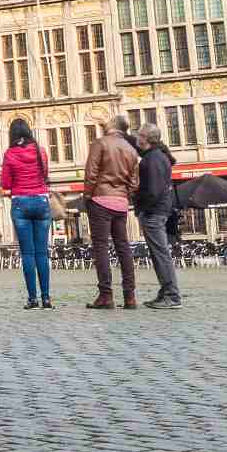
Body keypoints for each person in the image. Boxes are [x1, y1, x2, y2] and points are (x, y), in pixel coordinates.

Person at [80, 116, 139, 310]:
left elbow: (91, 173)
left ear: (114, 126)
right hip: (120, 201)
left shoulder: (101, 143)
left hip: (100, 198)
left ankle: (106, 295)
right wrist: (124, 194)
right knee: (123, 247)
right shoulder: (131, 149)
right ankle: (129, 295)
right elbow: (134, 181)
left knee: (101, 247)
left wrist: (88, 196)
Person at [0, 119, 56, 309]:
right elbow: (45, 173)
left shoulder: (10, 154)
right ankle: (46, 297)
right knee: (42, 252)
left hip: (20, 203)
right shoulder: (40, 152)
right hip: (41, 201)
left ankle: (32, 298)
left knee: (28, 254)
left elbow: (6, 183)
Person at [131, 123, 182, 310]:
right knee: (159, 253)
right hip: (158, 211)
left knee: (161, 255)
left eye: (139, 134)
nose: (137, 137)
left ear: (145, 138)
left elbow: (152, 191)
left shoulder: (151, 160)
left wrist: (140, 206)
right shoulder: (158, 156)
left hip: (153, 212)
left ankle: (171, 294)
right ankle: (166, 291)